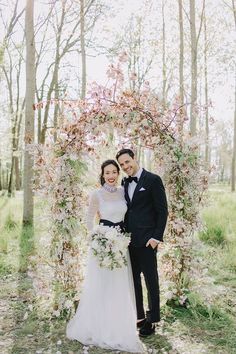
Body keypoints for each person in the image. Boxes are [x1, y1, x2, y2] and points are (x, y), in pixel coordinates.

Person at [66, 159, 144, 353]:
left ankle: (118, 323)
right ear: (102, 175)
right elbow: (88, 219)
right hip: (103, 244)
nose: (110, 176)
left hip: (120, 242)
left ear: (118, 174)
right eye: (107, 172)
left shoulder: (123, 192)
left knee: (118, 283)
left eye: (113, 172)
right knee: (102, 284)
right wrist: (98, 238)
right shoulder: (96, 194)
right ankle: (98, 324)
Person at [116, 148, 168, 337]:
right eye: (122, 165)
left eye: (127, 162)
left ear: (134, 158)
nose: (125, 167)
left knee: (151, 280)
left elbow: (163, 211)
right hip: (129, 241)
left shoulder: (153, 180)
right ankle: (139, 317)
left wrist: (155, 238)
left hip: (147, 241)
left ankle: (152, 319)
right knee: (134, 280)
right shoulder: (124, 182)